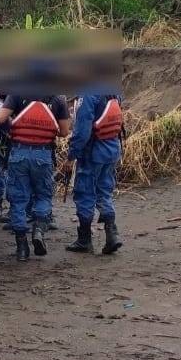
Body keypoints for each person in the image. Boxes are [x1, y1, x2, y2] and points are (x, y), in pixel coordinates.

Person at [0, 94, 70, 260]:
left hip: (19, 154)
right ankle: (38, 230)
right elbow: (64, 132)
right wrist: (46, 129)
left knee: (18, 200)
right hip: (43, 155)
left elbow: (1, 118)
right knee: (43, 196)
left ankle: (22, 247)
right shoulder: (58, 99)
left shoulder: (17, 93)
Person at [61, 88, 125, 254]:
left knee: (85, 194)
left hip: (93, 152)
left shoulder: (88, 95)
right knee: (104, 191)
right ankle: (112, 234)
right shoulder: (113, 92)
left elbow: (82, 132)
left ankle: (84, 240)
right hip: (112, 149)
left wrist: (71, 156)